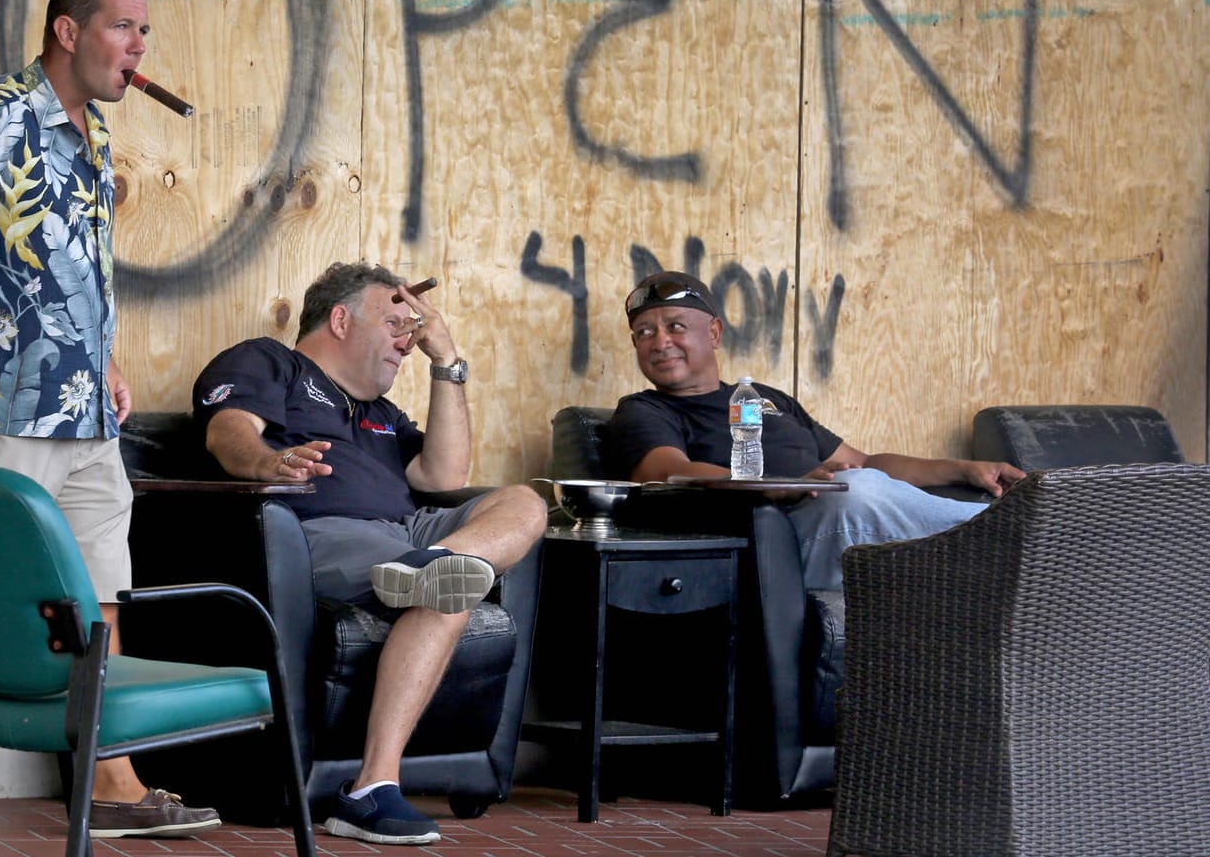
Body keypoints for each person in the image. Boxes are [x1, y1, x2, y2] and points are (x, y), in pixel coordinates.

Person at [0, 0, 218, 839]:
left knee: (100, 594)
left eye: (145, 34)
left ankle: (111, 781)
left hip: (86, 413)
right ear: (68, 31)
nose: (138, 49)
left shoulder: (93, 131)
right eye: (123, 29)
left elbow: (78, 267)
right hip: (2, 405)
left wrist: (103, 358)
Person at [192, 262, 545, 846]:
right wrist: (267, 464)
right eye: (394, 323)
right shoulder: (269, 361)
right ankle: (369, 790)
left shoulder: (381, 414)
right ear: (339, 319)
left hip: (409, 532)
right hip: (322, 532)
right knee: (451, 589)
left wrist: (445, 362)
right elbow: (227, 430)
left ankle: (434, 567)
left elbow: (444, 472)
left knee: (524, 503)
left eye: (412, 329)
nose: (406, 340)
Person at [604, 270, 1025, 589]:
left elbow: (864, 461)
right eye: (644, 333)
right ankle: (1026, 529)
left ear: (713, 333)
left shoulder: (764, 398)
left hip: (837, 522)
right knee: (855, 492)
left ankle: (1018, 535)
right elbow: (663, 472)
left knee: (859, 480)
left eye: (675, 326)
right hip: (777, 542)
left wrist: (964, 469)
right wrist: (769, 486)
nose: (659, 341)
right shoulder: (644, 410)